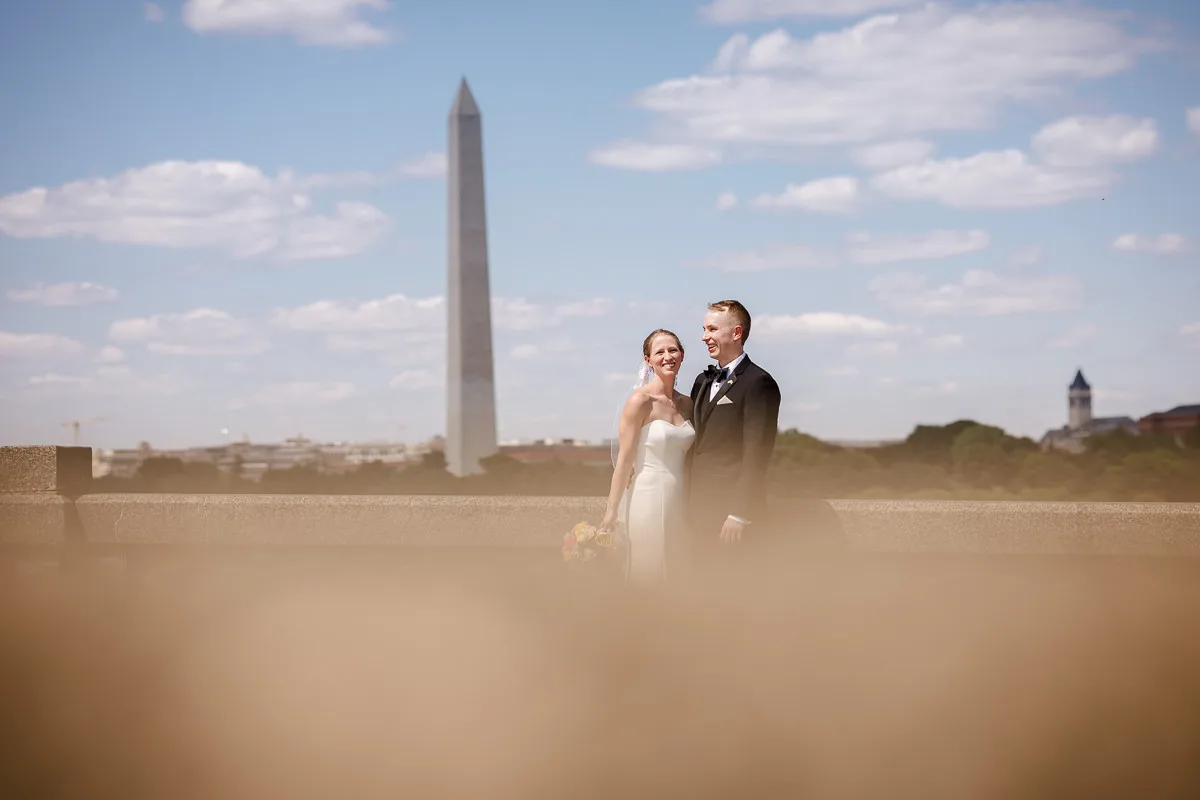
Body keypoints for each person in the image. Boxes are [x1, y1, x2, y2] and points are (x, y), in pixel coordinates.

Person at [686, 300, 782, 571]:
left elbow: (757, 454)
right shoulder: (701, 381)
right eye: (704, 329)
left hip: (731, 519)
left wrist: (739, 513)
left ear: (736, 333)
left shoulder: (758, 383)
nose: (705, 336)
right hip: (697, 511)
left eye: (712, 329)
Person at [598, 329, 695, 584]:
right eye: (659, 352)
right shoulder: (640, 402)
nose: (667, 356)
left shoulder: (688, 404)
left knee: (678, 571)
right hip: (647, 496)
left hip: (682, 499)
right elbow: (624, 462)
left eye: (673, 350)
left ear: (682, 355)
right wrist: (611, 512)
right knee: (649, 568)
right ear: (648, 360)